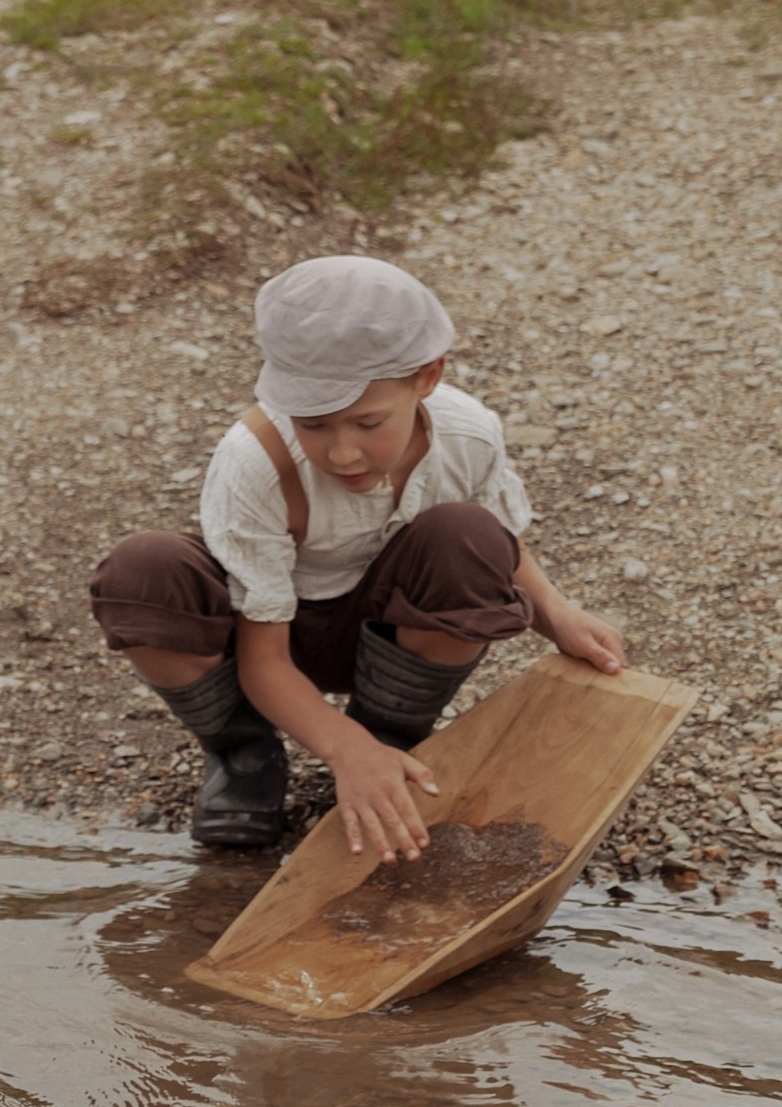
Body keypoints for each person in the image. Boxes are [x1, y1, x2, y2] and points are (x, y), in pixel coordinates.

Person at [89, 256, 626, 858]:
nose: (343, 452)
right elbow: (263, 659)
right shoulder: (254, 462)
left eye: (369, 422)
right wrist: (340, 751)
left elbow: (500, 542)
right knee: (142, 571)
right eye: (314, 425)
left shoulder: (468, 433)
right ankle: (244, 757)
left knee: (467, 536)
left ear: (427, 377)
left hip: (391, 630)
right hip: (269, 639)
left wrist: (555, 611)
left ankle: (388, 738)